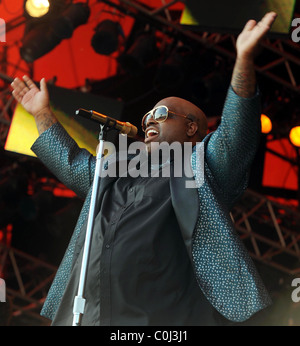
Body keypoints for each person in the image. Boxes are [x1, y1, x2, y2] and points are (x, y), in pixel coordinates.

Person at [11, 12, 277, 326]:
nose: (149, 119)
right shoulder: (115, 172)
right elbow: (71, 163)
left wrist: (243, 60)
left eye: (162, 113)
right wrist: (42, 113)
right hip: (90, 316)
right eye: (148, 115)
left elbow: (238, 133)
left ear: (192, 128)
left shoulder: (200, 167)